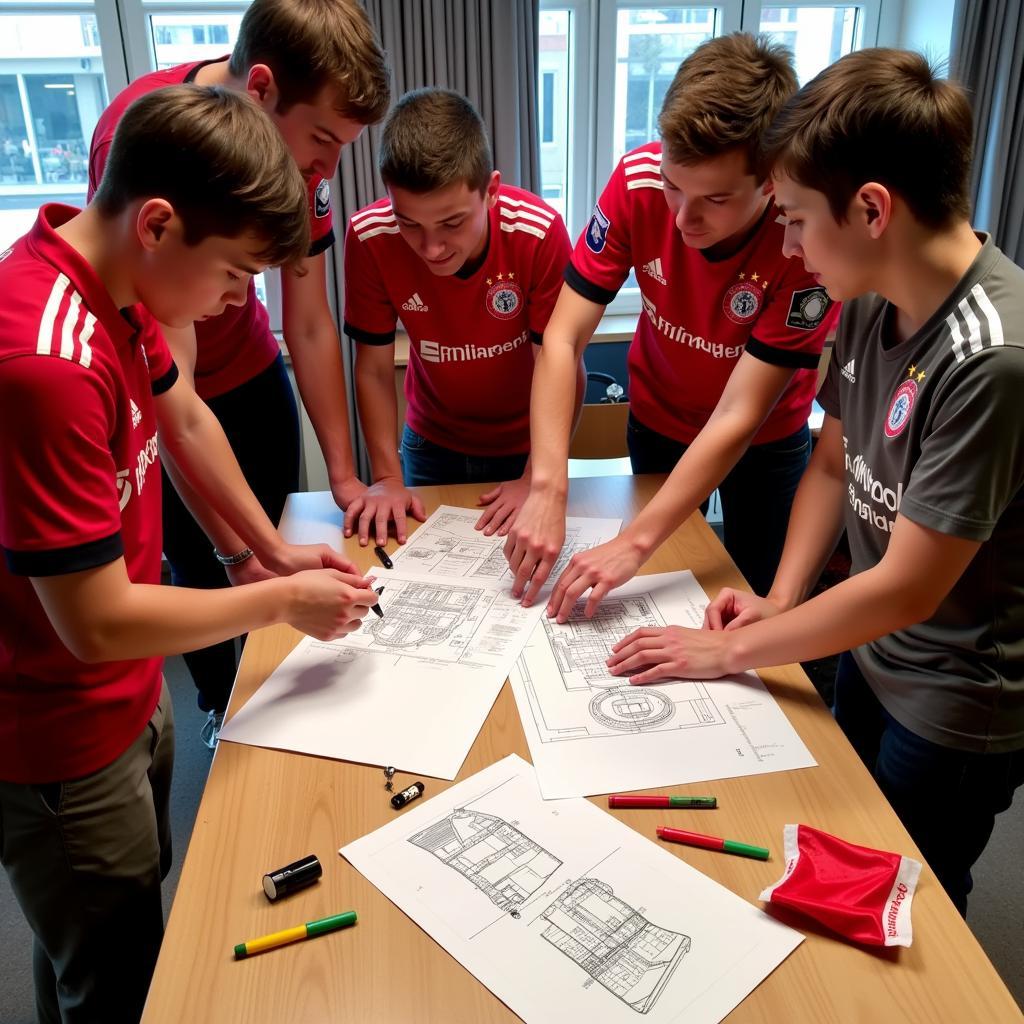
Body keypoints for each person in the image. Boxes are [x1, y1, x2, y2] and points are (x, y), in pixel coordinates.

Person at [607, 49, 1024, 916]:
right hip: (868, 656)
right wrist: (782, 600)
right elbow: (832, 462)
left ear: (873, 209)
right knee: (843, 860)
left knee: (912, 900)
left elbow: (907, 587)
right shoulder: (870, 291)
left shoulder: (993, 357)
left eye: (795, 219)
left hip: (952, 700)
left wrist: (727, 650)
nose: (788, 247)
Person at [0, 85, 378, 1024]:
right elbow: (96, 622)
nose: (231, 301)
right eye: (233, 276)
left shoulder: (118, 283)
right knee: (116, 973)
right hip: (59, 730)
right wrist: (275, 603)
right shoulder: (45, 365)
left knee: (101, 926)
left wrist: (276, 552)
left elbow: (187, 417)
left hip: (126, 698)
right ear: (160, 224)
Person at [87, 0, 389, 743]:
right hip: (170, 386)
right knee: (217, 575)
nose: (327, 168)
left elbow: (309, 321)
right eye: (320, 138)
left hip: (248, 374)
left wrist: (343, 483)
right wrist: (239, 552)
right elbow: (173, 398)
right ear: (259, 90)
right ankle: (229, 722)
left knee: (273, 563)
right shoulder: (158, 139)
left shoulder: (306, 166)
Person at [505, 33, 839, 617]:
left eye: (714, 198)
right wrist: (547, 484)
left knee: (756, 597)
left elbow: (740, 414)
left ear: (769, 182)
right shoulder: (636, 183)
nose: (684, 216)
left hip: (762, 440)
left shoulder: (802, 239)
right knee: (655, 586)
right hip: (659, 420)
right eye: (673, 185)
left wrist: (632, 542)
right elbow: (562, 337)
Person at [342, 87, 578, 547]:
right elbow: (371, 368)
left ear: (490, 191)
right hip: (431, 443)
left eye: (451, 223)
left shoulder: (538, 232)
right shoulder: (370, 237)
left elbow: (562, 360)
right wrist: (387, 478)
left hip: (529, 444)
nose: (432, 248)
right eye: (410, 223)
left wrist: (538, 475)